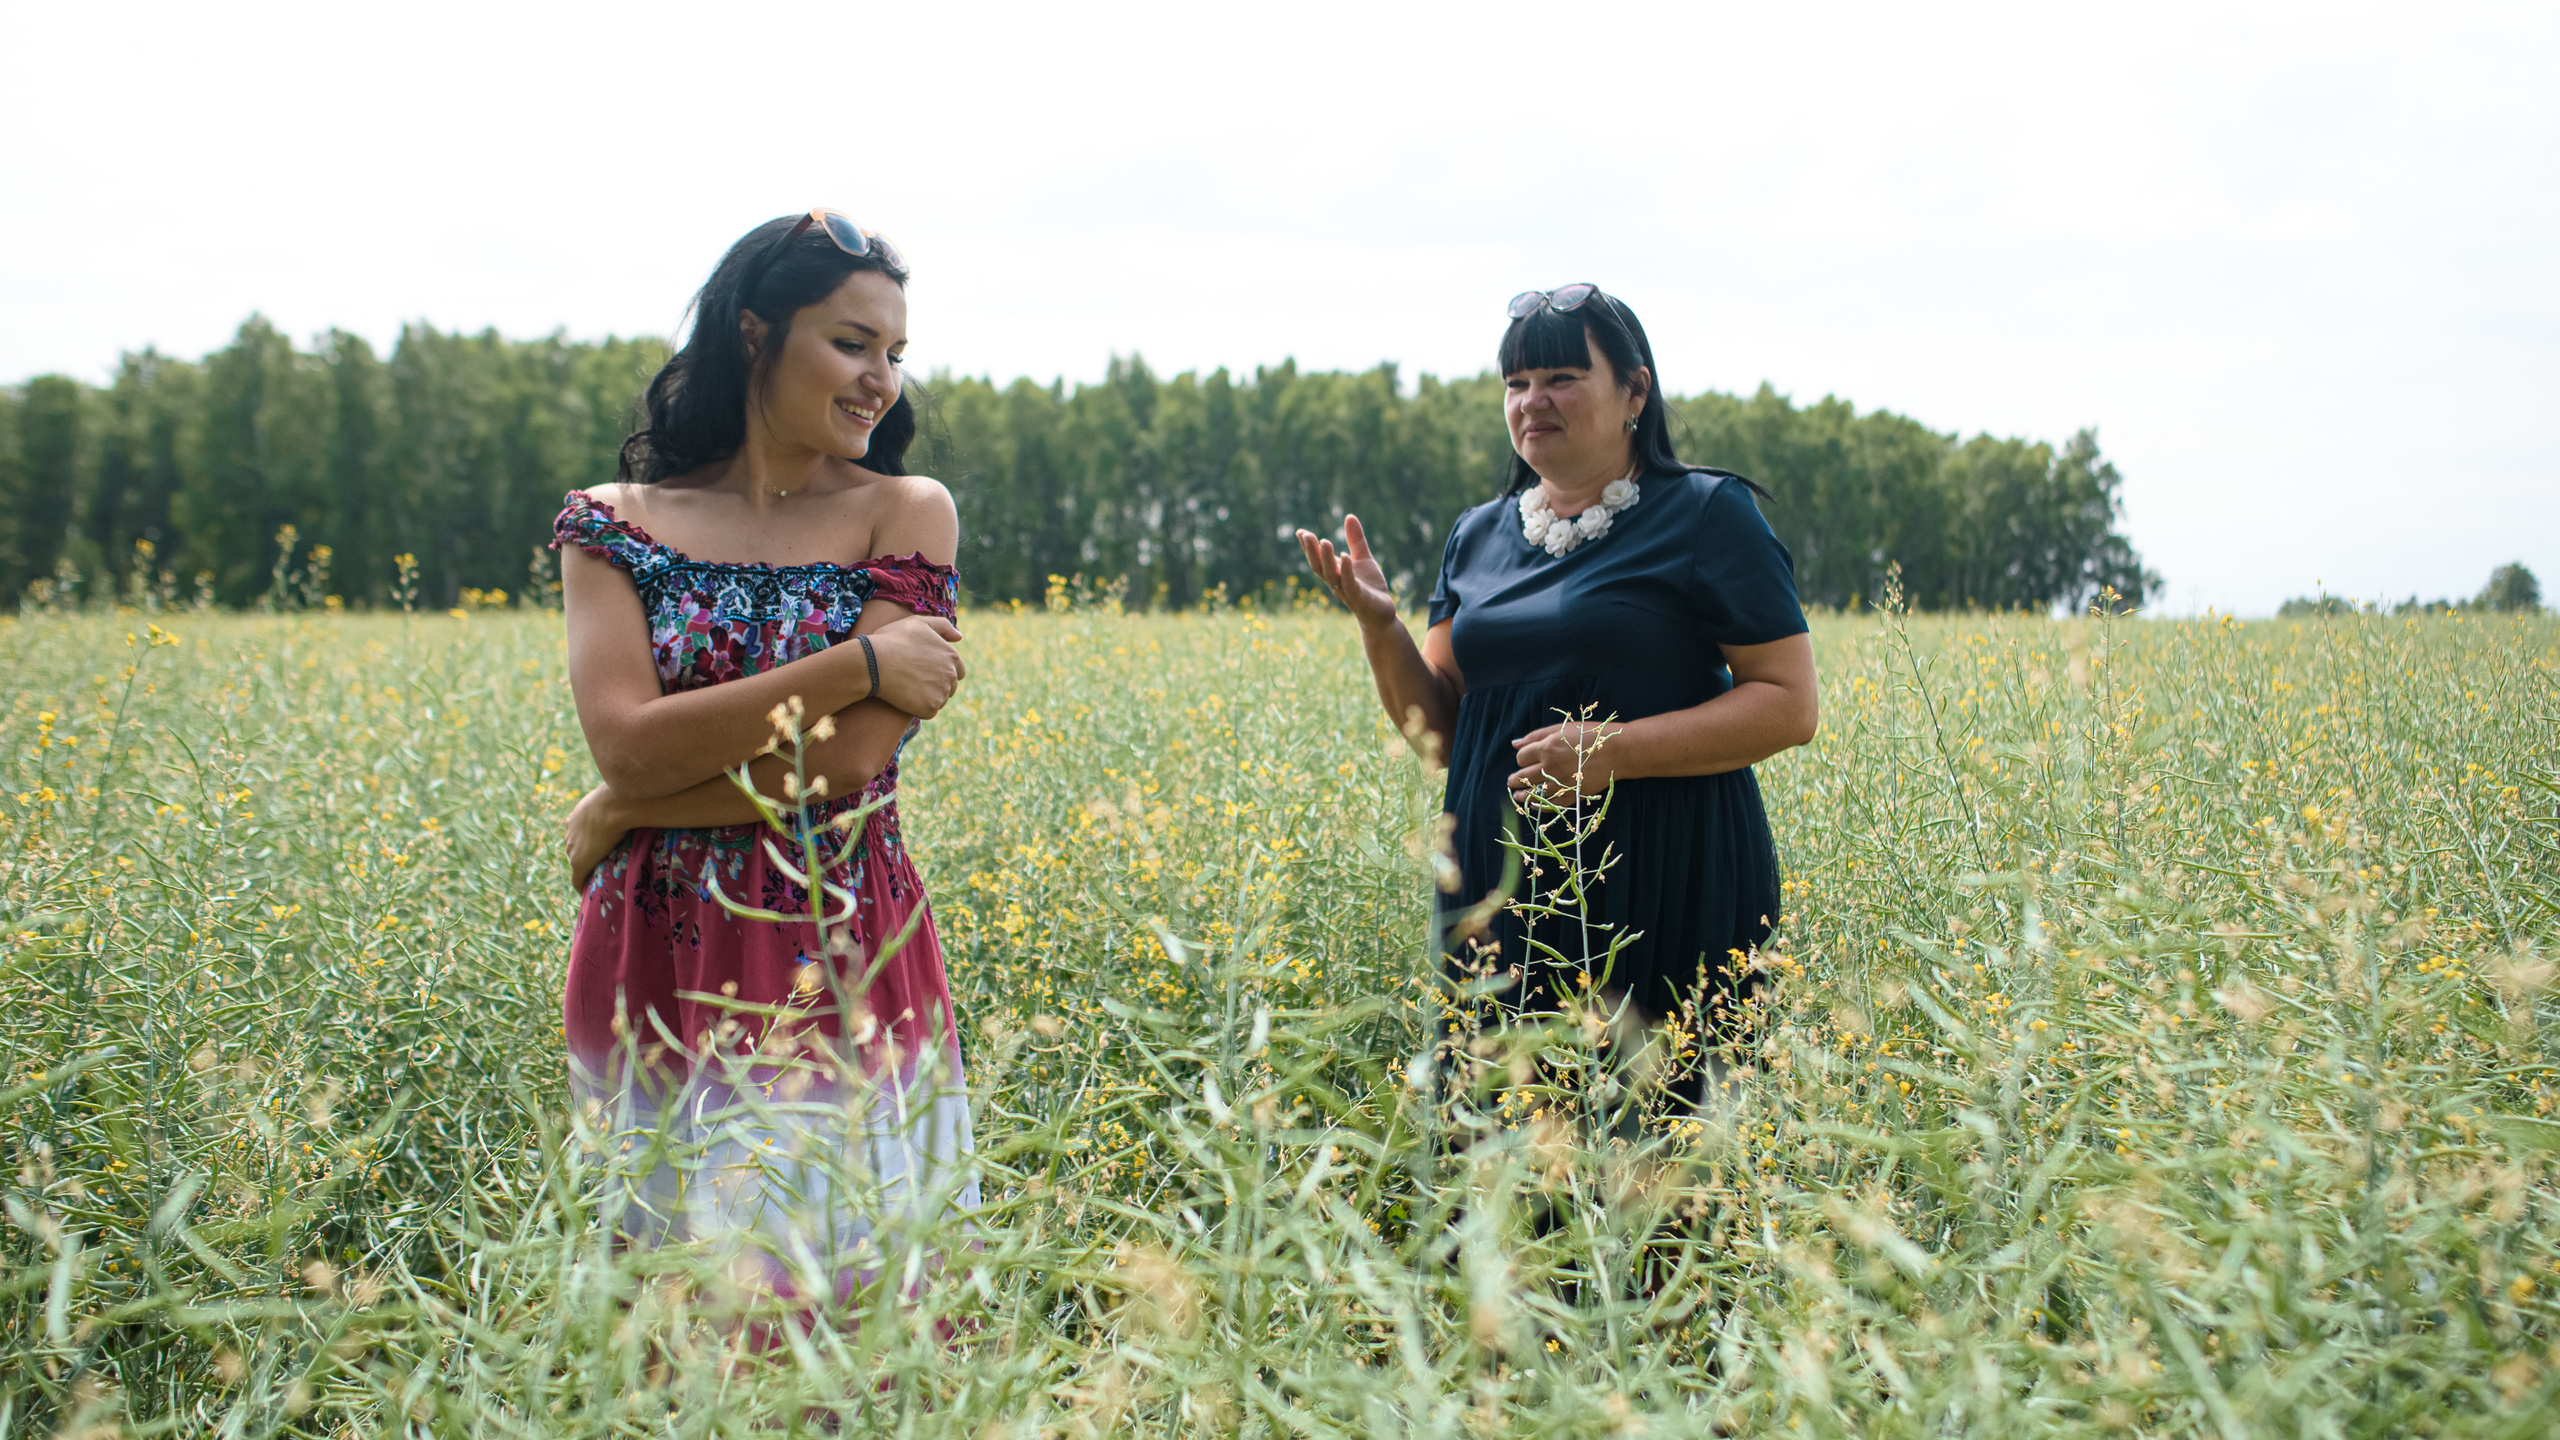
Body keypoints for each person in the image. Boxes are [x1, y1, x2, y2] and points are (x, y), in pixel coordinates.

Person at [550, 209, 976, 1284]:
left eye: (893, 353)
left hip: (839, 941)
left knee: (835, 1305)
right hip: (656, 947)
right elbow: (627, 746)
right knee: (662, 1300)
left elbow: (840, 773)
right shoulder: (611, 525)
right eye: (850, 342)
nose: (880, 378)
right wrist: (855, 666)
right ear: (753, 334)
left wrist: (626, 814)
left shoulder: (906, 511)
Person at [1297, 284, 1819, 1109]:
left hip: (1662, 881)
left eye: (1562, 378)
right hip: (1493, 891)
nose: (1532, 401)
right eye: (1516, 383)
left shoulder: (1708, 516)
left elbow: (1790, 704)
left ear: (1635, 393)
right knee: (1499, 1157)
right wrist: (1378, 625)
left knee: (1660, 1163)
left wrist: (1612, 754)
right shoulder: (1477, 535)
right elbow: (1437, 726)